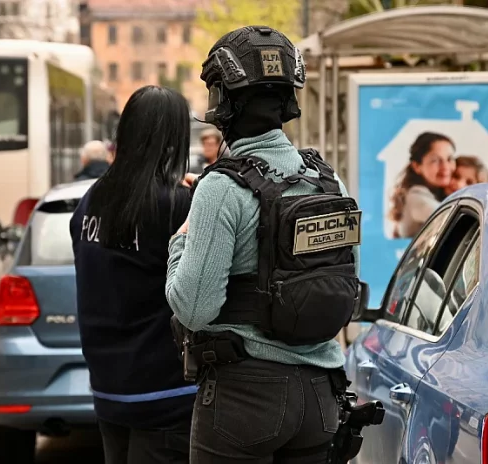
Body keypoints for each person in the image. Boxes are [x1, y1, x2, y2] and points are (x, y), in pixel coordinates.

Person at [165, 26, 363, 462]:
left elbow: (194, 308)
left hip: (245, 400)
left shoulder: (220, 187)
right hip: (321, 397)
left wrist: (180, 241)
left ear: (223, 100)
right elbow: (346, 281)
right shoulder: (328, 180)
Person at [70, 85, 195, 464]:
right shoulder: (175, 205)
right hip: (166, 393)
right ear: (173, 140)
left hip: (108, 387)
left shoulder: (91, 201)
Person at [389, 132, 456, 239]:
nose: (445, 166)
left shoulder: (434, 194)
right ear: (417, 166)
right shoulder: (416, 197)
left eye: (449, 159)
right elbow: (451, 218)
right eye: (435, 160)